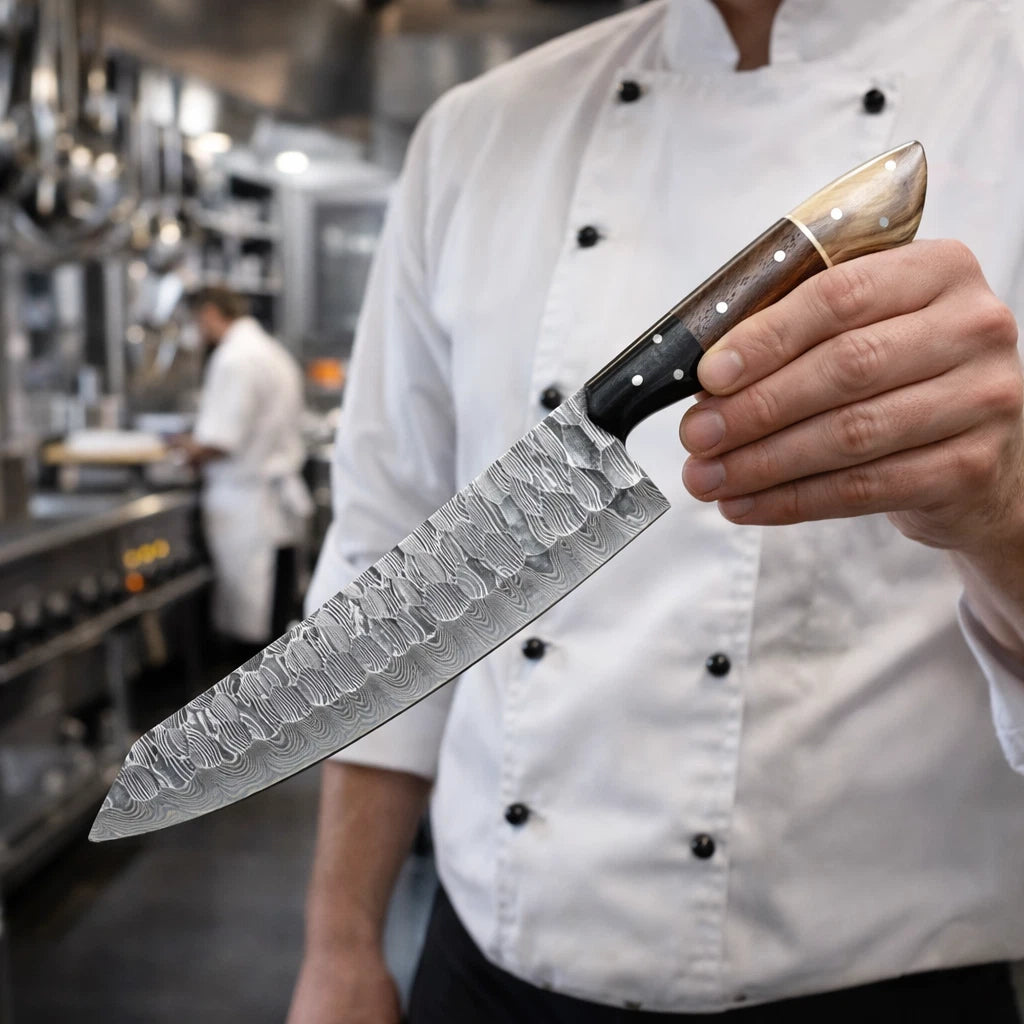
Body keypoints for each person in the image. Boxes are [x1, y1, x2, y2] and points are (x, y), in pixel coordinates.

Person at [288, 0, 1024, 1019]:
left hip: (880, 986)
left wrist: (1004, 515)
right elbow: (389, 562)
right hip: (484, 974)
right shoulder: (473, 132)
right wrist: (338, 946)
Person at [179, 286, 312, 648]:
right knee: (278, 611)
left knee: (252, 629)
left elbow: (221, 441)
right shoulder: (271, 351)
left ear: (209, 313)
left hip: (247, 504)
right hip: (274, 500)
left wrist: (184, 450)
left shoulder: (233, 358)